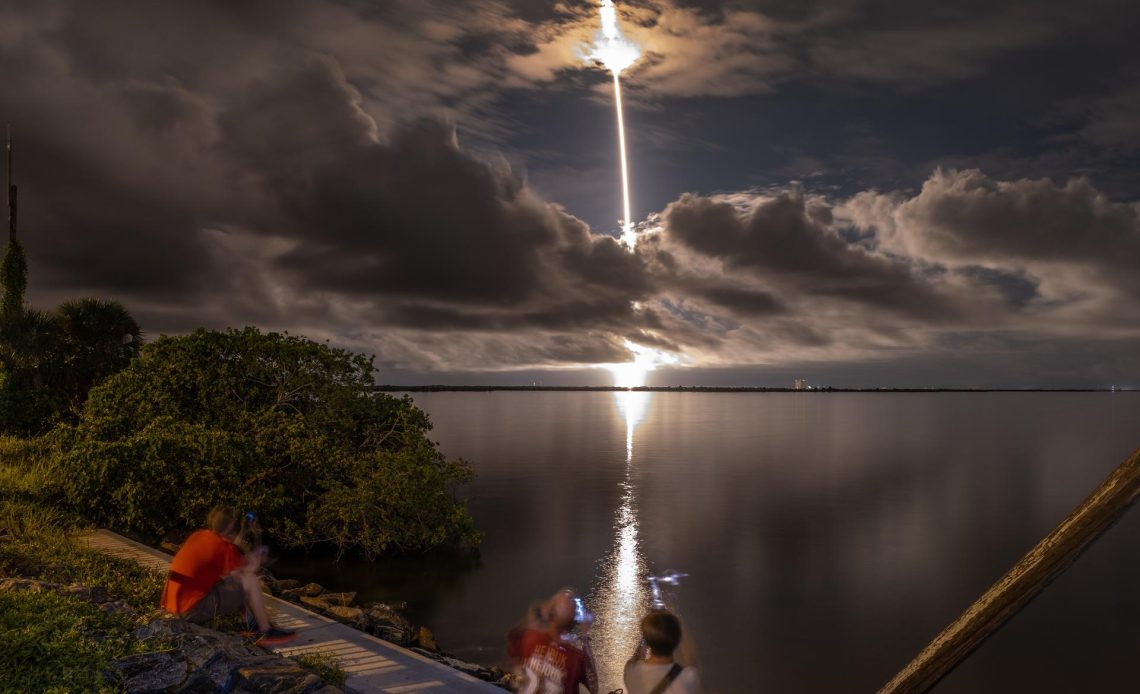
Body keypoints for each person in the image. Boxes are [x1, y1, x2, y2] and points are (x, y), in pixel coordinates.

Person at [161, 506, 295, 644]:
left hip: (173, 606)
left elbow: (228, 568)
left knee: (233, 582)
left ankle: (251, 623)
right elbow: (247, 571)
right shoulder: (222, 546)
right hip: (189, 611)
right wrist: (258, 556)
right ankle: (266, 631)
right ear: (231, 530)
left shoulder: (199, 536)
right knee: (250, 581)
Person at [508, 588, 599, 694]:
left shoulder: (531, 637)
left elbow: (593, 688)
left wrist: (538, 615)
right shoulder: (575, 658)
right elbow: (593, 687)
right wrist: (585, 636)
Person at [623, 610, 701, 694]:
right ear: (677, 640)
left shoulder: (631, 672)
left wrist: (642, 645)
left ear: (647, 641)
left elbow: (634, 660)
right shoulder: (689, 676)